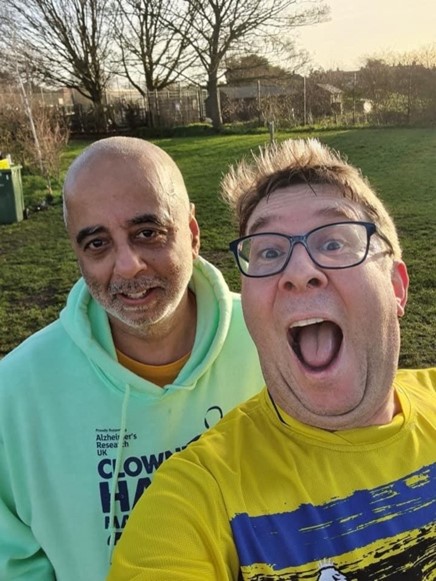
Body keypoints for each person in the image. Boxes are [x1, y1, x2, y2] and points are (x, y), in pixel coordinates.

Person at [108, 138, 436, 580]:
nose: (298, 272)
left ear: (396, 287)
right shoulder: (195, 497)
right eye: (269, 252)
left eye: (334, 242)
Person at [0, 136, 265, 581]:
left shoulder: (272, 345)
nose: (127, 266)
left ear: (193, 233)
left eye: (147, 233)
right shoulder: (14, 396)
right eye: (97, 244)